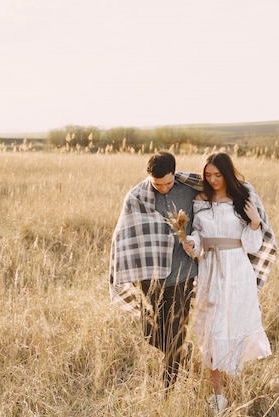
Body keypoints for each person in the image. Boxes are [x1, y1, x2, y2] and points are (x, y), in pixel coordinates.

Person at [183, 152, 277, 413]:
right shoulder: (200, 199)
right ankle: (218, 395)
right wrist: (192, 243)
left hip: (236, 269)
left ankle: (238, 387)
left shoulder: (242, 198)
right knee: (212, 331)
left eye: (217, 175)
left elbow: (251, 245)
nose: (212, 180)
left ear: (227, 173)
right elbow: (199, 235)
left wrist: (256, 223)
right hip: (209, 270)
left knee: (234, 326)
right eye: (208, 175)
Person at [109, 151, 199, 393]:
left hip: (182, 273)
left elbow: (214, 202)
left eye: (168, 183)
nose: (163, 188)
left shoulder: (190, 189)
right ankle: (182, 352)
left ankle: (167, 391)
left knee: (175, 333)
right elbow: (123, 235)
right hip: (150, 275)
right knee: (150, 333)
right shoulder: (136, 196)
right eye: (157, 184)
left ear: (175, 174)